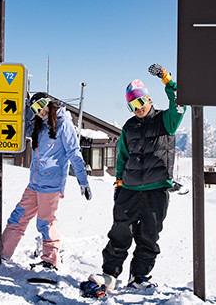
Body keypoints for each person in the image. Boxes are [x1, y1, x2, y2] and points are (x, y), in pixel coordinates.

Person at [85, 64, 186, 294]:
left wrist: (168, 81)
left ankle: (139, 276)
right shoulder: (128, 127)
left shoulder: (166, 121)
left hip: (156, 189)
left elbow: (180, 104)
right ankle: (110, 274)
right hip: (129, 189)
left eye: (140, 102)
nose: (137, 108)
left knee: (149, 236)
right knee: (120, 232)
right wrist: (119, 182)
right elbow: (122, 156)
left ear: (149, 99)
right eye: (132, 105)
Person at [0, 92, 92, 270]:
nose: (39, 111)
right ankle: (3, 251)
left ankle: (50, 260)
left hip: (51, 184)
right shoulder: (40, 125)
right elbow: (24, 127)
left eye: (41, 106)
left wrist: (83, 181)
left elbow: (74, 153)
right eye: (35, 109)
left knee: (45, 222)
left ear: (50, 103)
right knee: (18, 216)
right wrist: (28, 107)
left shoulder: (63, 124)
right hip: (35, 182)